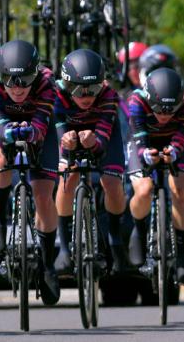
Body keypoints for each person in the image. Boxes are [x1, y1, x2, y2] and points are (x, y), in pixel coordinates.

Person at [0, 39, 60, 305]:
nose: (17, 88)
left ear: (36, 74)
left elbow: (42, 121)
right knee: (3, 154)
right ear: (1, 75)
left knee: (43, 195)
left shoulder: (48, 81)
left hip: (40, 125)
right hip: (3, 120)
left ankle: (48, 265)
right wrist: (8, 133)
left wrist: (33, 133)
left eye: (25, 80)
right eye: (10, 81)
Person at [53, 49, 130, 275]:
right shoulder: (55, 94)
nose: (86, 96)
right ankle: (65, 249)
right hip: (67, 132)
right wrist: (66, 143)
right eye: (78, 89)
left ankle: (115, 240)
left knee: (112, 184)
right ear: (66, 85)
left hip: (101, 135)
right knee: (67, 180)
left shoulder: (109, 96)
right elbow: (57, 129)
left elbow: (103, 142)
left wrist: (93, 143)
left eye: (93, 89)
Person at [127, 68, 184, 284]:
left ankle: (183, 255)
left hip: (174, 143)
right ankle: (139, 233)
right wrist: (146, 154)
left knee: (179, 190)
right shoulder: (136, 102)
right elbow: (139, 137)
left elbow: (182, 134)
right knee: (144, 189)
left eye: (170, 110)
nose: (165, 116)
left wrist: (174, 151)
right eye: (159, 110)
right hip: (142, 142)